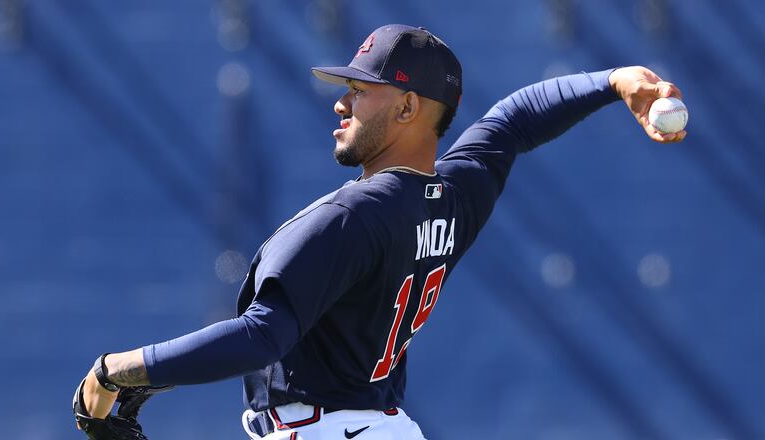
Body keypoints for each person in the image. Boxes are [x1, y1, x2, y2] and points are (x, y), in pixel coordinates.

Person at [75, 24, 686, 439]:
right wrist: (615, 80)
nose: (341, 104)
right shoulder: (454, 198)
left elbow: (262, 338)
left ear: (407, 108)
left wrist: (116, 370)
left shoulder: (348, 218)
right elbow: (511, 123)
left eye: (359, 91)